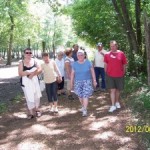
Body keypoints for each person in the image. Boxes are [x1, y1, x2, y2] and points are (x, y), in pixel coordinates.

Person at [70, 50, 97, 117]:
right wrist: (71, 83)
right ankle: (83, 106)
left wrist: (94, 80)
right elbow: (72, 74)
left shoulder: (88, 62)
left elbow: (92, 71)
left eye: (81, 55)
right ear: (77, 56)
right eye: (78, 55)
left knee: (85, 95)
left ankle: (85, 109)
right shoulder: (74, 64)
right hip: (77, 82)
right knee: (80, 95)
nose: (80, 56)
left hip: (87, 81)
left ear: (84, 55)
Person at [18, 48, 42, 119]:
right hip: (25, 84)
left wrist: (33, 74)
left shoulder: (35, 61)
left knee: (36, 96)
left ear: (32, 54)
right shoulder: (21, 63)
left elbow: (40, 69)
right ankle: (31, 112)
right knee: (28, 97)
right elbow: (20, 73)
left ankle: (37, 109)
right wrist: (28, 73)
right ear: (24, 54)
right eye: (27, 53)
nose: (28, 54)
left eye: (30, 53)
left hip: (35, 82)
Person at [104, 40, 127, 112]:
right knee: (112, 90)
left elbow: (124, 64)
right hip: (110, 75)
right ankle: (113, 105)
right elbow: (105, 65)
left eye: (113, 46)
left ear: (117, 46)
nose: (112, 47)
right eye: (111, 46)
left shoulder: (121, 53)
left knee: (118, 90)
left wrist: (124, 72)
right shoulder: (107, 54)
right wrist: (106, 72)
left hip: (119, 75)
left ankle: (117, 102)